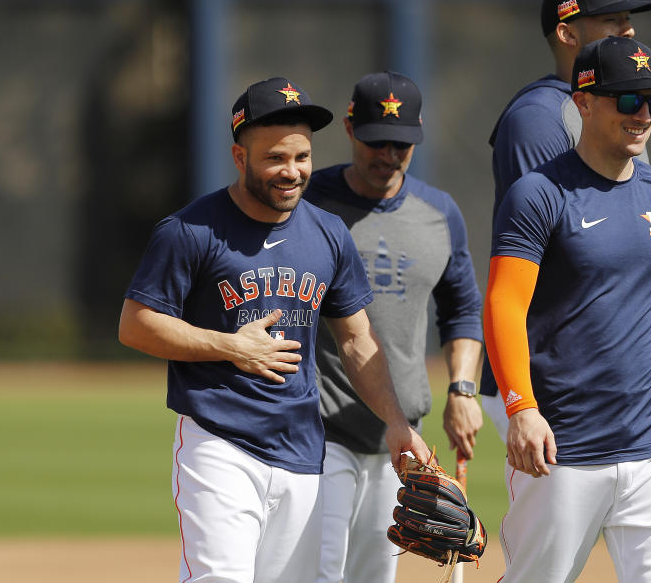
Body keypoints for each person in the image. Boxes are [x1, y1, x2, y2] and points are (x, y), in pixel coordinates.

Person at [117, 76, 430, 583]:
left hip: (303, 449)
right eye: (275, 158)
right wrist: (230, 346)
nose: (292, 171)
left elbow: (356, 338)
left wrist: (396, 421)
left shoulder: (328, 234)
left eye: (302, 157)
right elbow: (136, 324)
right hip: (219, 442)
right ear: (240, 158)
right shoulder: (190, 231)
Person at [481, 0, 651, 580]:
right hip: (563, 447)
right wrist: (520, 408)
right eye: (630, 100)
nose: (644, 114)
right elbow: (504, 305)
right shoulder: (539, 193)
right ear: (582, 101)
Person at [303, 71, 484, 583]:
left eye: (400, 144)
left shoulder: (439, 213)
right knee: (317, 574)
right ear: (349, 129)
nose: (387, 155)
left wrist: (463, 390)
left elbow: (462, 311)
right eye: (375, 141)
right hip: (321, 430)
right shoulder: (309, 202)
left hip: (402, 441)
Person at [481, 0, 651, 434]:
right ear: (567, 32)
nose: (628, 30)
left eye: (628, 18)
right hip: (554, 376)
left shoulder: (621, 110)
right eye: (612, 20)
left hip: (612, 375)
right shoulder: (540, 117)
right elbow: (554, 253)